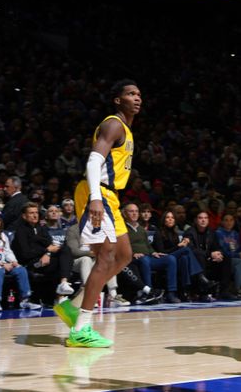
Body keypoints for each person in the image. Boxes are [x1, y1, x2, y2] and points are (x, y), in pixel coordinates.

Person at [54, 80, 141, 348]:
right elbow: (94, 160)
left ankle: (74, 305)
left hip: (110, 196)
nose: (137, 98)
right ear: (118, 100)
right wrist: (95, 197)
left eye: (139, 94)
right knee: (105, 256)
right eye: (130, 94)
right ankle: (81, 328)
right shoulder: (113, 124)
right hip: (97, 192)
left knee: (125, 254)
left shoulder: (126, 128)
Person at [12, 202, 74, 299]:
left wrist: (47, 254)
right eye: (31, 213)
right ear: (24, 216)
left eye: (36, 212)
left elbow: (50, 245)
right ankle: (59, 297)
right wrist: (45, 250)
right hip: (33, 264)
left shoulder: (41, 228)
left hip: (45, 259)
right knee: (61, 265)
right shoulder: (21, 231)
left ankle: (64, 283)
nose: (35, 215)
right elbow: (26, 254)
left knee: (65, 249)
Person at [123, 202, 182, 303]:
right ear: (125, 214)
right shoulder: (122, 229)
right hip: (134, 259)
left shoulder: (141, 229)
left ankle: (171, 293)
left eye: (136, 211)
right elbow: (121, 246)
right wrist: (133, 253)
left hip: (148, 257)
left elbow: (148, 245)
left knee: (170, 259)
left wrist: (154, 252)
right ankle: (148, 293)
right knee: (144, 259)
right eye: (131, 211)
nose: (134, 214)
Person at [0, 210, 41, 310]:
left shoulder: (3, 236)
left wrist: (14, 261)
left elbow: (7, 251)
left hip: (4, 263)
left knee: (21, 270)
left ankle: (25, 300)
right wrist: (1, 263)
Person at [152, 210, 215, 298]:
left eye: (172, 218)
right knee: (186, 249)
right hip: (164, 259)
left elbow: (177, 250)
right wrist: (179, 246)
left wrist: (181, 245)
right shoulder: (158, 233)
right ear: (164, 220)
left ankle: (185, 291)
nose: (170, 219)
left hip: (174, 258)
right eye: (168, 217)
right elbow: (161, 252)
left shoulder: (175, 233)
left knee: (184, 258)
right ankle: (200, 277)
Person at [64, 223, 129, 307]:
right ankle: (88, 294)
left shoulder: (98, 229)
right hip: (76, 261)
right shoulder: (73, 229)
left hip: (94, 259)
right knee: (86, 259)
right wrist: (90, 253)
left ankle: (113, 295)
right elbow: (73, 251)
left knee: (109, 261)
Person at [184, 211, 230, 300]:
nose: (203, 220)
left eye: (205, 218)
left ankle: (224, 291)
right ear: (196, 220)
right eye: (200, 218)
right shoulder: (190, 232)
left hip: (209, 259)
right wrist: (210, 254)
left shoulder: (211, 232)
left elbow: (218, 247)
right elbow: (191, 250)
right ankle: (203, 292)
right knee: (200, 257)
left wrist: (218, 254)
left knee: (226, 258)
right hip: (195, 262)